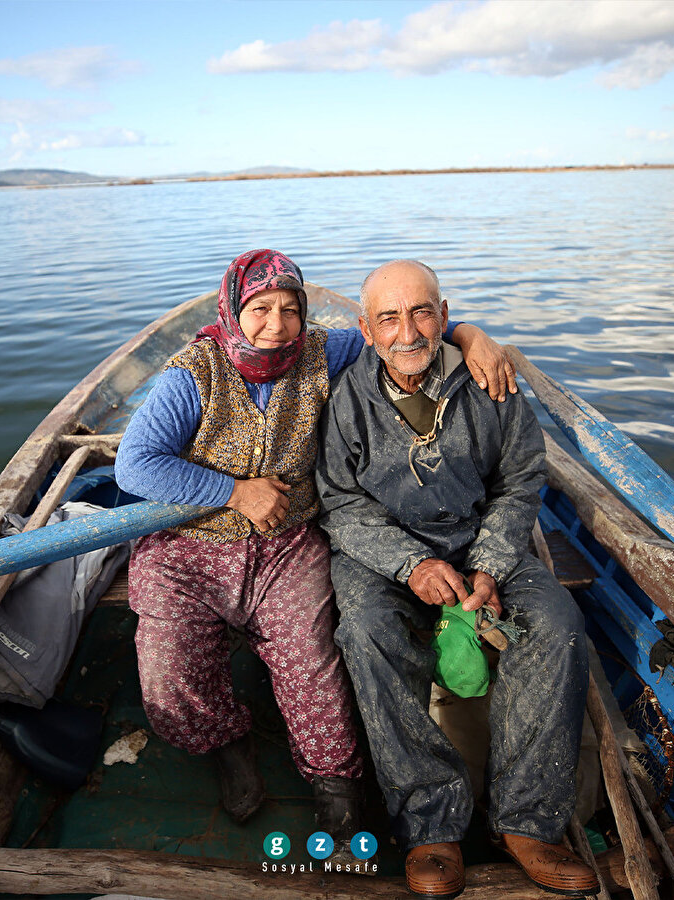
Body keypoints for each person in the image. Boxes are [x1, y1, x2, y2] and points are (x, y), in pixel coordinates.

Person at [114, 249, 515, 861]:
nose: (276, 325)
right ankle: (229, 745)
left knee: (312, 659)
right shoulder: (190, 375)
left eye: (289, 309)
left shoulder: (325, 352)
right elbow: (136, 465)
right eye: (260, 309)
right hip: (188, 548)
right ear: (232, 310)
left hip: (286, 543)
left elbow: (400, 338)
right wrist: (232, 492)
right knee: (169, 670)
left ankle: (334, 780)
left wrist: (469, 333)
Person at [315, 259, 599, 898]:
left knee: (556, 626)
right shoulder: (345, 400)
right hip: (382, 557)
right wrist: (410, 564)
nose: (407, 331)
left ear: (445, 317)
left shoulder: (490, 382)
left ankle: (527, 822)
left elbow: (522, 479)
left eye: (422, 312)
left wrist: (491, 564)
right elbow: (341, 504)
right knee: (364, 631)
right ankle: (429, 824)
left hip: (480, 541)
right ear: (367, 329)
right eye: (389, 317)